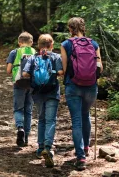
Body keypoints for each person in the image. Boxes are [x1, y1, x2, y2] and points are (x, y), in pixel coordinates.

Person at [61, 17, 103, 171]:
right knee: (86, 115)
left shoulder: (66, 44)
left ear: (70, 28)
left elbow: (65, 69)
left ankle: (81, 157)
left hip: (73, 86)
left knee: (77, 120)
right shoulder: (94, 44)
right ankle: (86, 147)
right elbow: (100, 67)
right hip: (91, 86)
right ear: (83, 28)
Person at [22, 34, 64, 168]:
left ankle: (40, 149)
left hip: (38, 93)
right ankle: (48, 146)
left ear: (39, 45)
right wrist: (53, 73)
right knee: (51, 120)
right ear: (51, 44)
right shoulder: (56, 56)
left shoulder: (34, 57)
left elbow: (24, 74)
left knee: (41, 119)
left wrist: (37, 75)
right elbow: (61, 72)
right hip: (52, 92)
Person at [6, 32, 36, 147]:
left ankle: (20, 128)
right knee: (28, 110)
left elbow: (8, 70)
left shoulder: (14, 52)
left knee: (18, 109)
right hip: (32, 84)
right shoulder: (35, 52)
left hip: (19, 83)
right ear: (31, 42)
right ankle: (26, 138)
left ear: (19, 42)